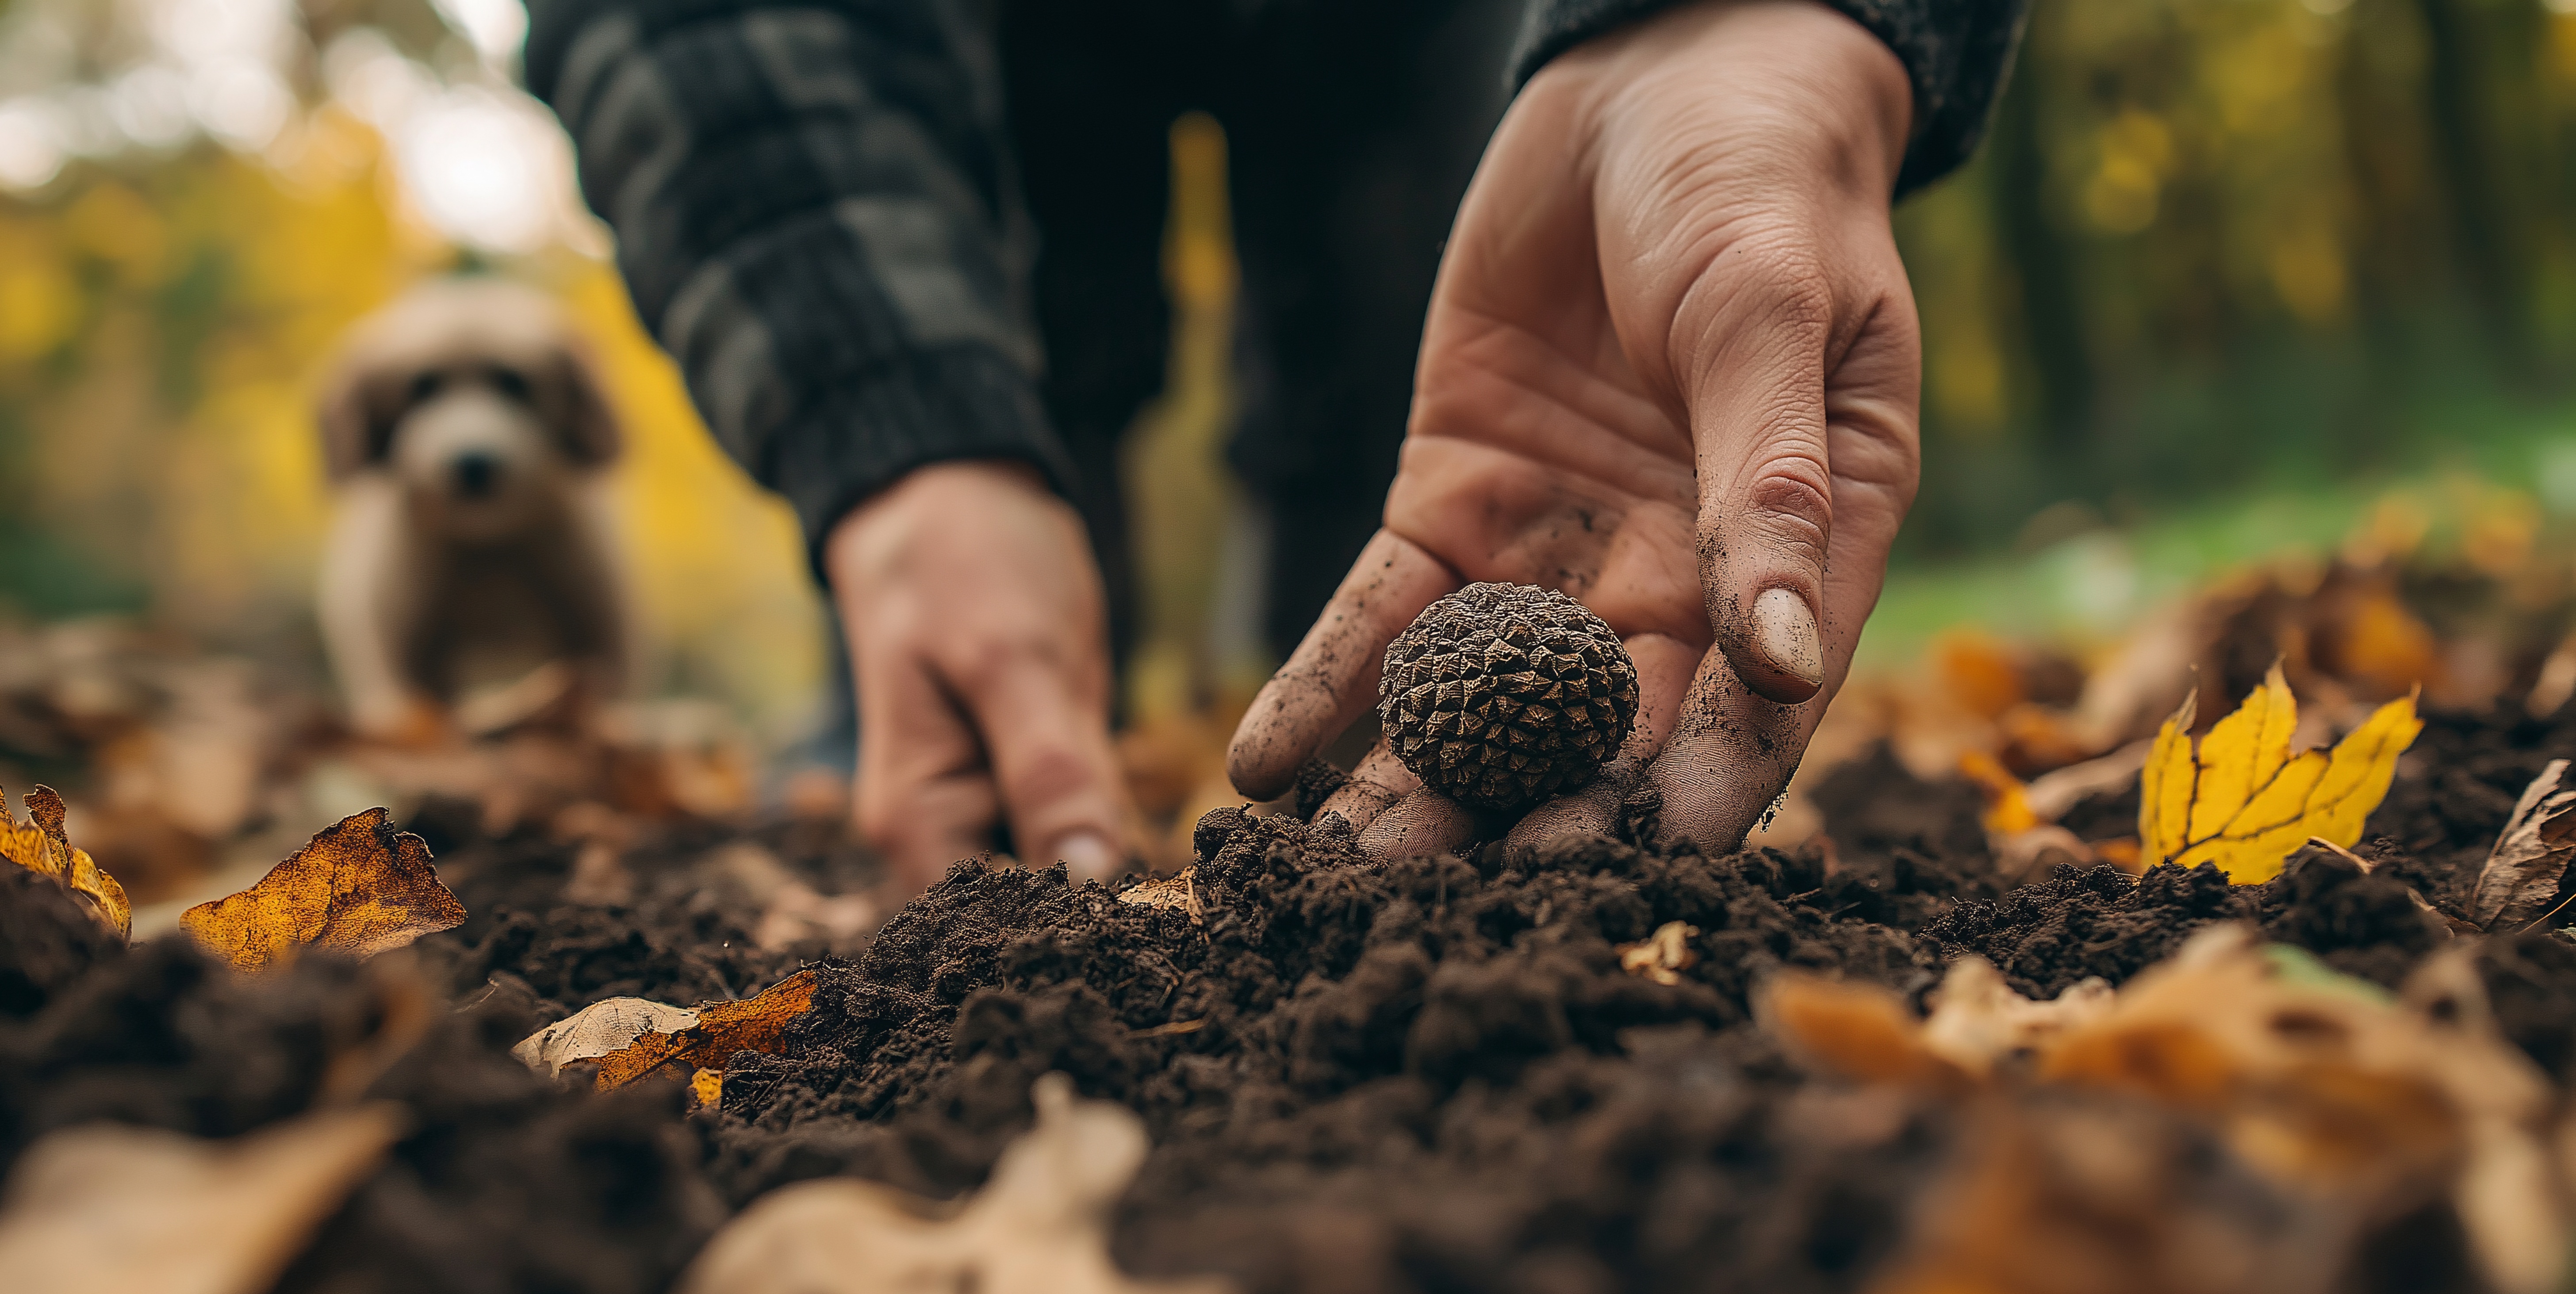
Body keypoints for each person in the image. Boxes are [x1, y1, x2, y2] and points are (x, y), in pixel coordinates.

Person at [525, 0, 2025, 895]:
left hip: (1444, 42)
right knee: (984, 696)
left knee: (1386, 524)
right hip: (964, 67)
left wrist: (1755, 18)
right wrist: (897, 424)